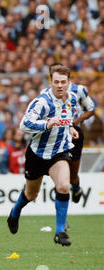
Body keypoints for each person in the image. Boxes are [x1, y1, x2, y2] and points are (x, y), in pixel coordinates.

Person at [7, 65, 79, 246]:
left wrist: (69, 128)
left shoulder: (72, 99)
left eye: (63, 82)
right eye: (56, 82)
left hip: (59, 151)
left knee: (63, 185)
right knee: (31, 194)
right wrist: (46, 124)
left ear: (69, 82)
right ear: (50, 82)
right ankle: (15, 213)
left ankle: (60, 231)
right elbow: (24, 125)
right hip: (37, 154)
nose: (60, 85)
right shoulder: (42, 102)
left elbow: (68, 117)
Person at [41, 63, 96, 203]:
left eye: (62, 79)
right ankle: (63, 221)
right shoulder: (44, 94)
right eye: (55, 79)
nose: (59, 83)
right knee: (59, 180)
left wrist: (75, 122)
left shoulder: (79, 90)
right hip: (55, 136)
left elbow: (90, 109)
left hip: (74, 134)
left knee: (72, 177)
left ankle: (76, 186)